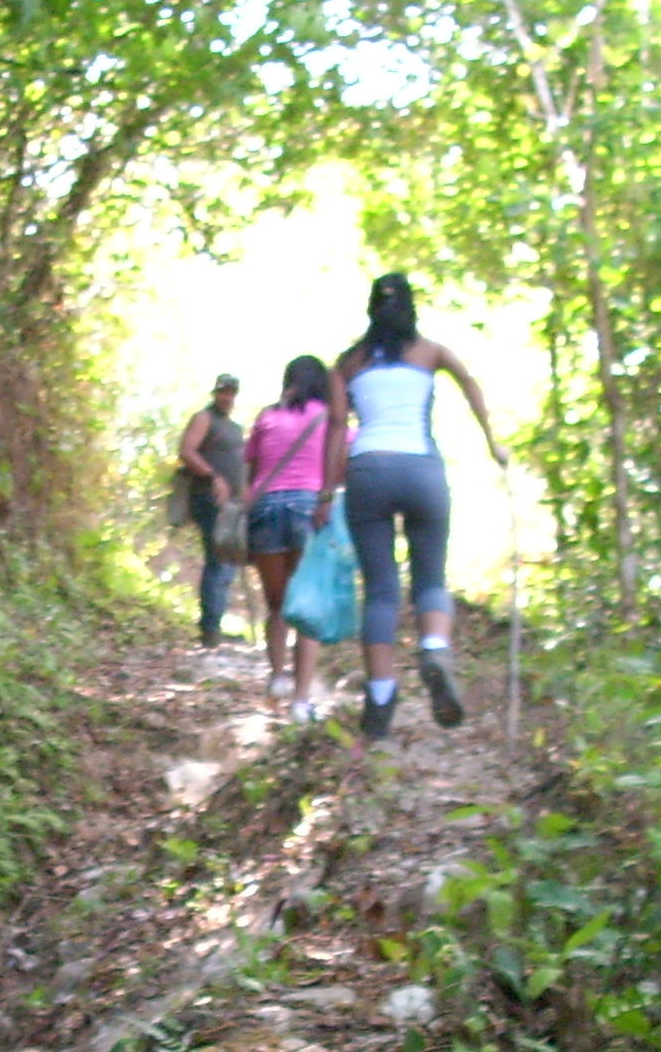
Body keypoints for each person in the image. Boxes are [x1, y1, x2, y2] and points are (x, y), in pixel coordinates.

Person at [321, 273, 505, 741]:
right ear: (411, 308)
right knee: (430, 578)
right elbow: (470, 383)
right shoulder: (431, 352)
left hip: (368, 472)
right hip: (422, 469)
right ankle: (434, 649)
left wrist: (325, 492)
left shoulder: (347, 364)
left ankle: (381, 698)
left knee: (381, 590)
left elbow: (338, 427)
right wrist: (492, 444)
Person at [243, 354, 339, 719]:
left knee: (278, 605)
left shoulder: (266, 417)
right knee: (307, 607)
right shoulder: (328, 419)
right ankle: (300, 701)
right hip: (308, 508)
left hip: (266, 508)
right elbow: (346, 457)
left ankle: (277, 678)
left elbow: (250, 467)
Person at [176, 372, 246, 646]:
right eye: (222, 392)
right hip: (209, 499)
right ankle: (210, 628)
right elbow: (187, 450)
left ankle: (214, 623)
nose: (226, 397)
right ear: (215, 393)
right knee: (219, 561)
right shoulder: (204, 418)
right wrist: (212, 476)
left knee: (227, 561)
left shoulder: (234, 427)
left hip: (232, 504)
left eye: (230, 393)